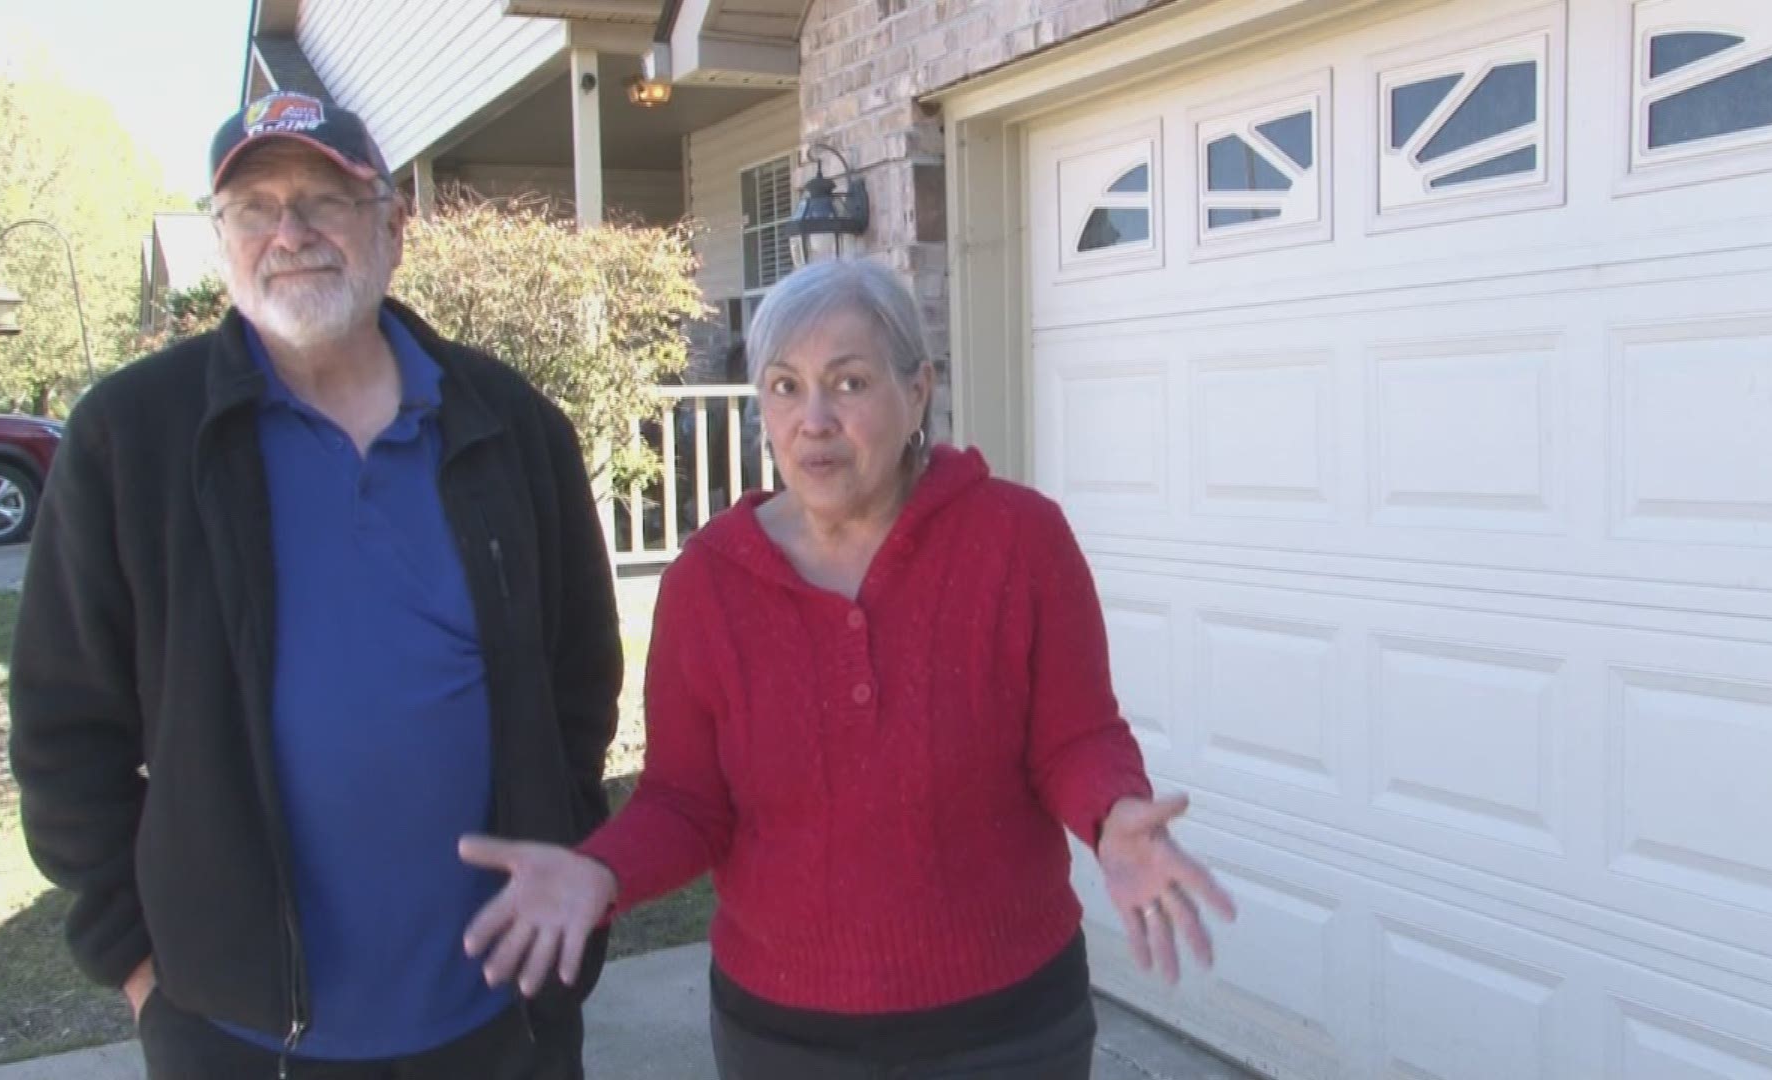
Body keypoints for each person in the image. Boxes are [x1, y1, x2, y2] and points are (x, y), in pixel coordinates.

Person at [456, 258, 1237, 1079]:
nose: (813, 419)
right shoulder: (708, 581)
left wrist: (1112, 816)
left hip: (1008, 1026)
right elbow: (687, 801)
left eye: (850, 383)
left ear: (918, 392)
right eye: (785, 387)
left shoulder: (1020, 540)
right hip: (786, 1038)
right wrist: (601, 870)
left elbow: (1076, 737)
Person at [8, 91, 622, 1080]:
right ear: (223, 242)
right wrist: (137, 967)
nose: (288, 233)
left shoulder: (512, 428)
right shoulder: (134, 439)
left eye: (323, 200)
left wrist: (572, 860)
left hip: (497, 1020)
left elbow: (578, 687)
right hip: (238, 1032)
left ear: (391, 225)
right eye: (254, 208)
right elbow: (62, 728)